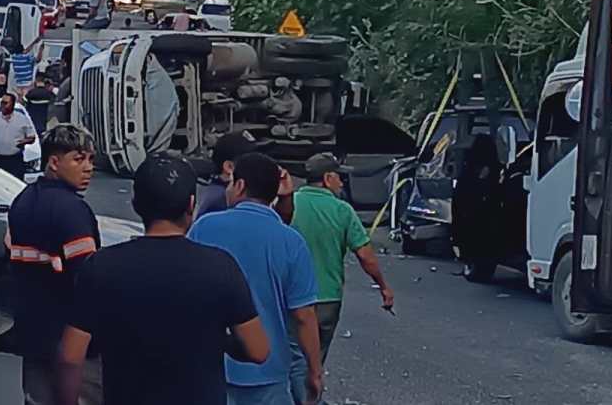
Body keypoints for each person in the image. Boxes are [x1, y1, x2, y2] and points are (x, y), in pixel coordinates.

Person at [57, 153, 269, 405]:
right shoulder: (220, 266)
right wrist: (220, 340)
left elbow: (71, 355)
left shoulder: (101, 266)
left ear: (136, 204)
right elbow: (258, 350)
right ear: (191, 205)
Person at [189, 152, 323, 405]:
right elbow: (304, 316)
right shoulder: (291, 241)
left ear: (239, 186)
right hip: (268, 371)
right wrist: (314, 371)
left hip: (209, 366)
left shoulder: (204, 227)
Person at [289, 154, 394, 404]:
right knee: (315, 359)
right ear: (327, 178)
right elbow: (366, 257)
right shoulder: (342, 210)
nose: (342, 184)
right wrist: (384, 287)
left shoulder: (288, 204)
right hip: (327, 298)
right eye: (339, 177)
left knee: (294, 356)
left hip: (291, 298)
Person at [9, 125, 101, 405]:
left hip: (32, 331)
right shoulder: (71, 210)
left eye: (90, 160)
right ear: (54, 162)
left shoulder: (22, 201)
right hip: (70, 336)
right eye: (78, 159)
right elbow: (88, 277)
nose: (88, 168)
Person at [0, 93, 37, 179]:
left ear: (12, 104)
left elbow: (32, 137)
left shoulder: (22, 119)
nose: (2, 105)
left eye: (5, 103)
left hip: (14, 161)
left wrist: (24, 142)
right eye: (1, 102)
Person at [23, 71, 55, 135]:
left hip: (32, 126)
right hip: (44, 126)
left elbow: (24, 103)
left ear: (35, 80)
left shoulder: (30, 94)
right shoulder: (49, 95)